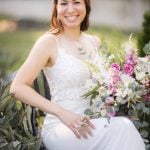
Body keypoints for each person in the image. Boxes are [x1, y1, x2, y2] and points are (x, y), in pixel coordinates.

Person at [10, 0, 145, 149]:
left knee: (122, 127)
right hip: (63, 127)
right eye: (64, 3)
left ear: (86, 6)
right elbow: (17, 87)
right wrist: (62, 114)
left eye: (76, 2)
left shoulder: (94, 42)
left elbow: (104, 85)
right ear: (56, 8)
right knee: (123, 128)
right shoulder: (48, 42)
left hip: (97, 122)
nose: (70, 9)